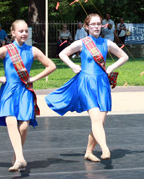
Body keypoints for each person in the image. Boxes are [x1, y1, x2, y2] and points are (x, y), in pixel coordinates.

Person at [0, 19, 56, 172]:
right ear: (13, 33)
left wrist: (34, 78)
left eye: (26, 31)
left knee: (24, 126)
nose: (24, 33)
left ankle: (16, 157)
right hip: (9, 91)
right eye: (21, 31)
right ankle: (20, 158)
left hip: (24, 91)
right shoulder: (6, 49)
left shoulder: (33, 50)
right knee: (11, 121)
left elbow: (52, 66)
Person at [45, 13, 128, 162]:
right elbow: (63, 54)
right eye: (93, 24)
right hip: (86, 83)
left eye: (98, 24)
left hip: (102, 84)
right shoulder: (82, 42)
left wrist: (111, 67)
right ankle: (105, 148)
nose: (96, 27)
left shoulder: (106, 43)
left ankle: (89, 152)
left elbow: (124, 56)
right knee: (95, 117)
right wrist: (73, 66)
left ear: (102, 26)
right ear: (87, 27)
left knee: (100, 121)